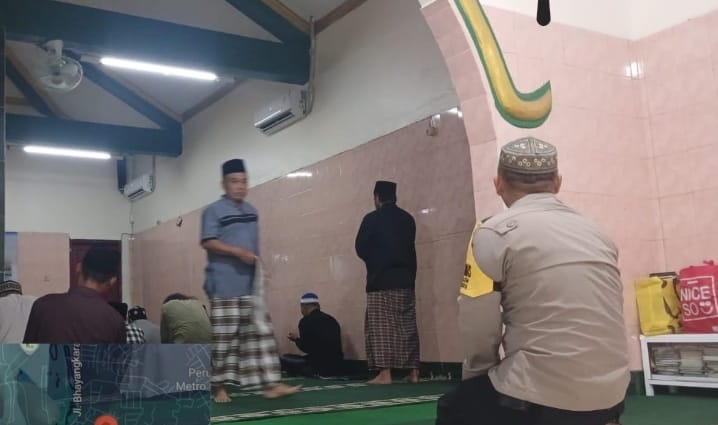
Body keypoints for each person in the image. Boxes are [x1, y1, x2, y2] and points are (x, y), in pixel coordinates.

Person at [436, 137, 629, 425]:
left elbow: (478, 323)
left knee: (455, 407)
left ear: (498, 183)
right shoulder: (598, 234)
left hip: (539, 402)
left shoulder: (490, 233)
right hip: (613, 396)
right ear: (558, 182)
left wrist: (475, 380)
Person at [202, 159, 299, 403]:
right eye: (234, 181)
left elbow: (252, 248)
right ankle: (219, 388)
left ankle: (271, 384)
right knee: (225, 340)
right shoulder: (213, 211)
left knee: (262, 334)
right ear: (224, 184)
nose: (240, 186)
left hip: (250, 286)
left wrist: (259, 266)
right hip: (224, 286)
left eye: (244, 181)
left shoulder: (252, 211)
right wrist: (237, 252)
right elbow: (208, 241)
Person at [355, 180, 420, 385]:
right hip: (406, 280)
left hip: (380, 280)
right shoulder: (407, 219)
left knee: (381, 328)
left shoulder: (372, 219)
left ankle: (385, 374)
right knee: (407, 327)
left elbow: (360, 248)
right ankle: (414, 372)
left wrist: (375, 260)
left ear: (377, 198)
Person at [23, 248, 126, 344]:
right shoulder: (115, 320)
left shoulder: (42, 305)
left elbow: (27, 353)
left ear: (79, 267)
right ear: (112, 281)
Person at [282, 292, 344, 377]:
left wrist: (296, 339)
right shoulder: (332, 319)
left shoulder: (305, 321)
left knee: (285, 358)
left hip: (318, 366)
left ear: (304, 307)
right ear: (318, 306)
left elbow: (306, 347)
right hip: (338, 365)